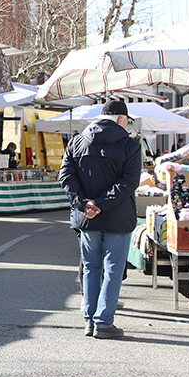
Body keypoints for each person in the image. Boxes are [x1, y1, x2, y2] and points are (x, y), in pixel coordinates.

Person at [59, 99, 142, 340]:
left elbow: (65, 176)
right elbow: (129, 182)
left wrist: (84, 203)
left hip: (86, 218)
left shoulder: (76, 142)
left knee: (90, 268)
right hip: (117, 217)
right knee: (113, 269)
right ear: (121, 119)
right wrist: (102, 204)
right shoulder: (130, 145)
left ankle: (88, 320)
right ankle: (104, 322)